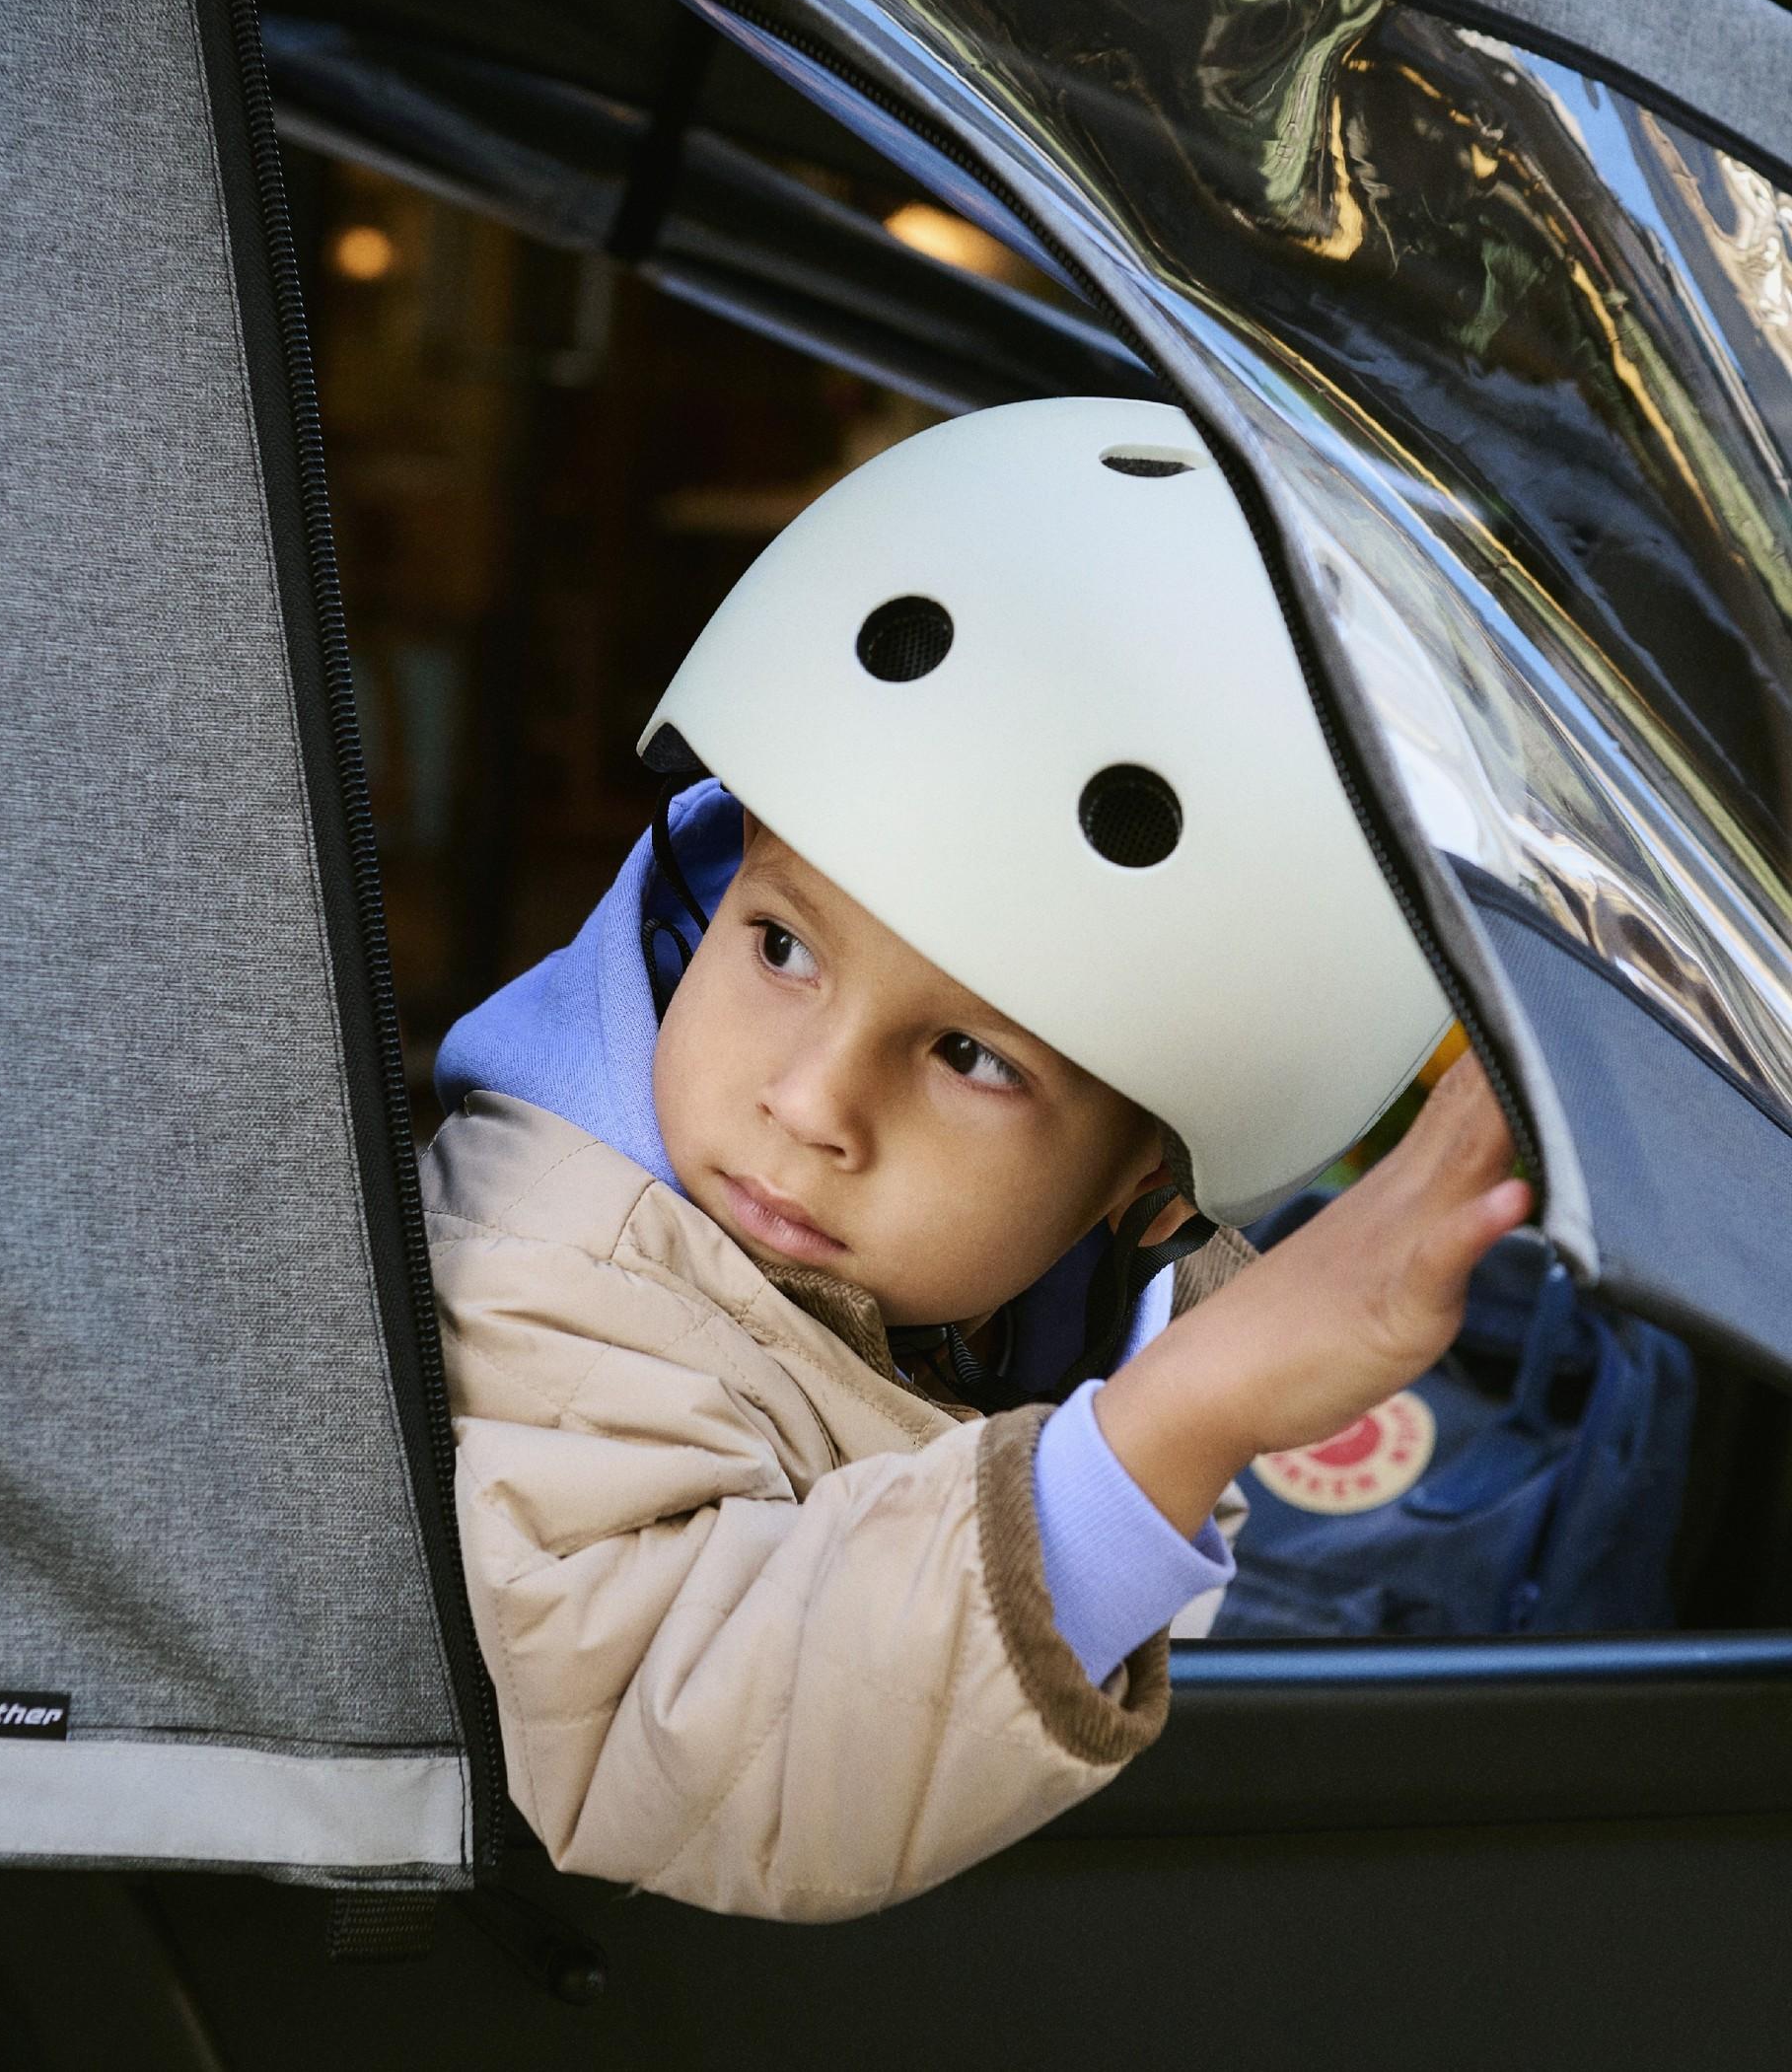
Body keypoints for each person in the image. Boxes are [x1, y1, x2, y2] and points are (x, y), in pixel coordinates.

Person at [423, 396, 1526, 1921]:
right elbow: (664, 1740)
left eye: (971, 1057)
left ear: (1148, 1190)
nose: (811, 1101)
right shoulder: (547, 1269)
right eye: (783, 944)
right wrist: (1187, 1411)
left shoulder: (1027, 1272)